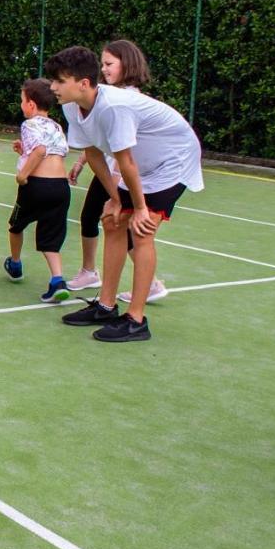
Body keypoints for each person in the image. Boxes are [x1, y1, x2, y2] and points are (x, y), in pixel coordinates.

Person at [47, 46, 203, 342]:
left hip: (173, 161)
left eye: (59, 80)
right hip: (142, 163)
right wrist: (115, 198)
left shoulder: (114, 107)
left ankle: (136, 320)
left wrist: (141, 208)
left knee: (141, 230)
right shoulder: (71, 104)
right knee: (111, 220)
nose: (53, 87)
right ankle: (106, 306)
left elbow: (126, 161)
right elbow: (92, 154)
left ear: (83, 83)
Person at [64, 40, 167, 301]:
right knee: (96, 218)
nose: (104, 69)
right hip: (112, 171)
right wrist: (80, 162)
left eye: (109, 64)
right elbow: (97, 137)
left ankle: (145, 283)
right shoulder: (105, 96)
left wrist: (118, 187)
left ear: (127, 65)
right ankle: (91, 272)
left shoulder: (126, 99)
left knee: (119, 223)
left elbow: (127, 150)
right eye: (103, 64)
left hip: (122, 173)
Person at [3, 78, 72, 303]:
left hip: (37, 185)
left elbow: (40, 150)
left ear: (31, 105)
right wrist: (24, 150)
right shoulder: (56, 126)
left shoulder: (29, 124)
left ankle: (15, 263)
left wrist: (22, 175)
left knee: (16, 224)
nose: (21, 105)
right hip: (60, 187)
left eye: (22, 101)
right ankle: (57, 280)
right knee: (50, 237)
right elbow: (53, 151)